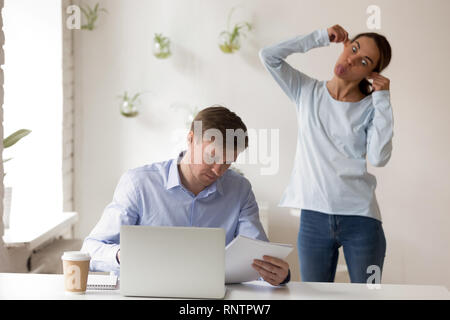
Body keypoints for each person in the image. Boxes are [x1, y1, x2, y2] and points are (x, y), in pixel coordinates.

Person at [81, 105, 291, 286]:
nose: (218, 170)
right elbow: (90, 250)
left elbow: (258, 258)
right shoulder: (139, 184)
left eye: (227, 162)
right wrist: (121, 255)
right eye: (212, 156)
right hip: (148, 293)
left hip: (214, 299)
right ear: (191, 140)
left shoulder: (240, 190)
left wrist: (279, 274)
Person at [259, 24, 393, 283]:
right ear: (345, 46)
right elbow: (268, 55)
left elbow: (378, 158)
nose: (352, 59)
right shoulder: (306, 91)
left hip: (362, 220)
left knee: (368, 297)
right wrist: (319, 37)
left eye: (363, 60)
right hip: (313, 218)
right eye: (353, 49)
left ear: (370, 73)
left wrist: (383, 99)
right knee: (313, 297)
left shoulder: (371, 107)